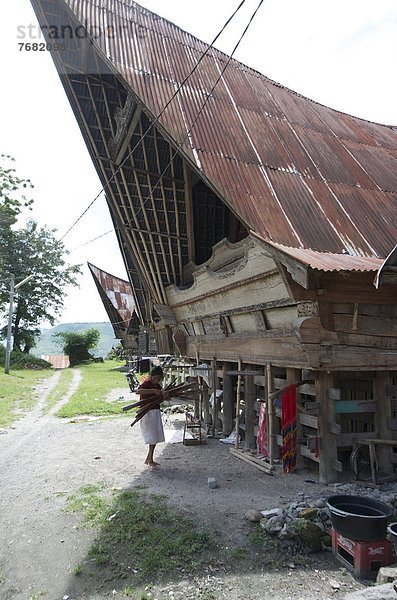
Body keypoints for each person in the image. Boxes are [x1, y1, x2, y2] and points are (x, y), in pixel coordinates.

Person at [136, 366, 169, 467]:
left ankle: (149, 458)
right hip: (147, 412)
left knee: (155, 436)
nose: (156, 380)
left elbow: (161, 398)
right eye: (155, 378)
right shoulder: (147, 384)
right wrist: (153, 391)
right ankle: (149, 459)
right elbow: (138, 391)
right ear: (151, 376)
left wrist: (165, 396)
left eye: (158, 379)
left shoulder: (158, 386)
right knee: (151, 436)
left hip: (155, 412)